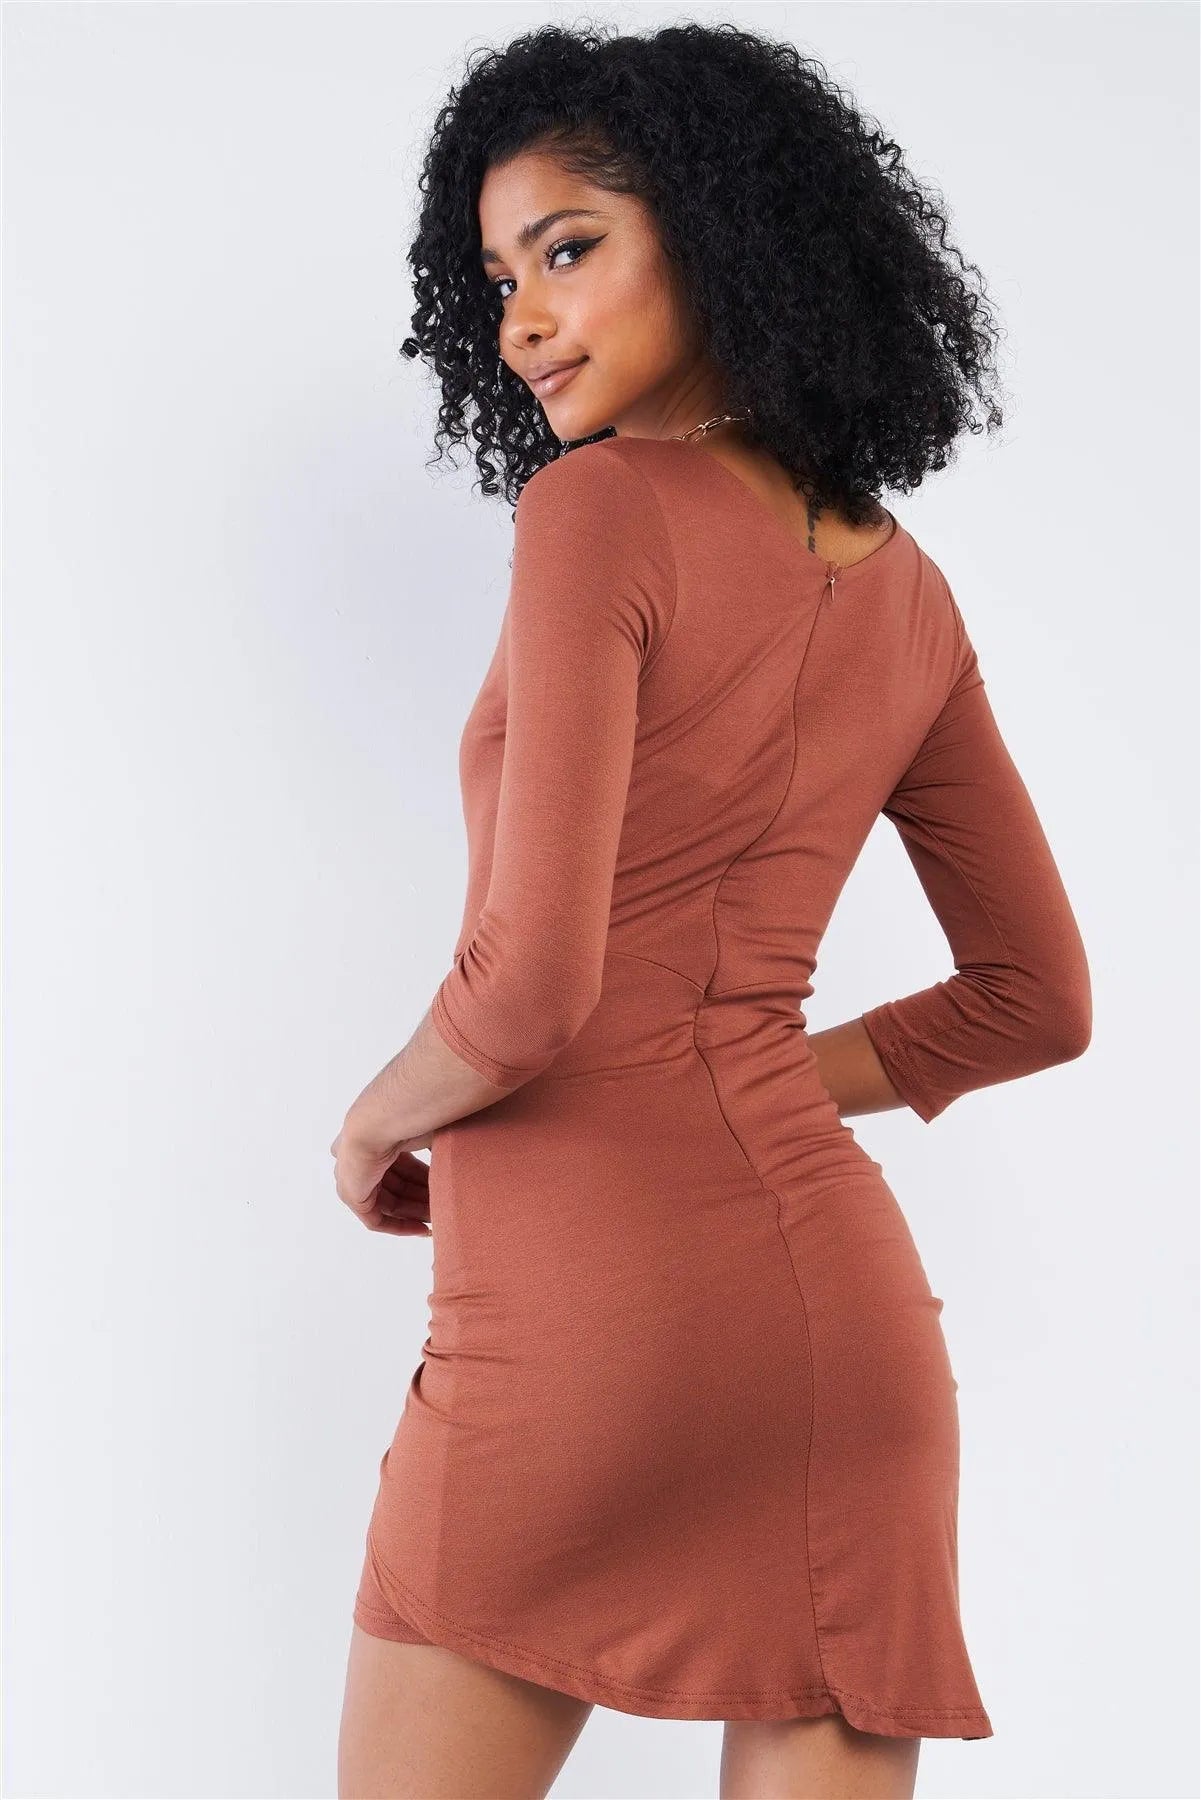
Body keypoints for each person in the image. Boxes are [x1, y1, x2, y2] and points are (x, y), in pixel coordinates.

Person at [330, 20, 1092, 1799]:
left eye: (567, 249)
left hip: (579, 1328)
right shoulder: (907, 592)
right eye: (498, 277)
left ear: (726, 233)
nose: (521, 320)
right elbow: (1035, 1000)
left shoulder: (599, 510)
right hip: (841, 1339)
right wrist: (728, 1080)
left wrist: (369, 1127)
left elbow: (528, 990)